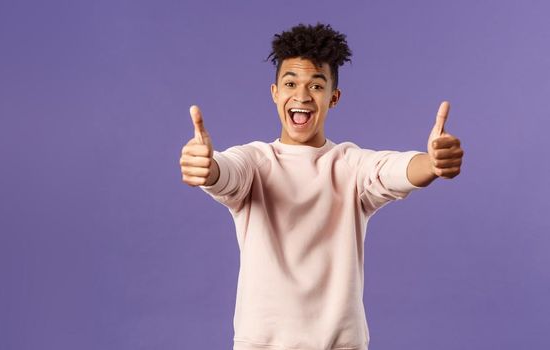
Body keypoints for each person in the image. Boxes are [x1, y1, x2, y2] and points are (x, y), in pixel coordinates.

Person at [178, 23, 464, 350]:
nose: (301, 96)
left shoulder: (350, 165)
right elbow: (226, 173)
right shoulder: (255, 161)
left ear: (333, 97)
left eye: (316, 85)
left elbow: (394, 170)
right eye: (290, 83)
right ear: (275, 93)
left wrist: (433, 163)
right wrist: (206, 166)